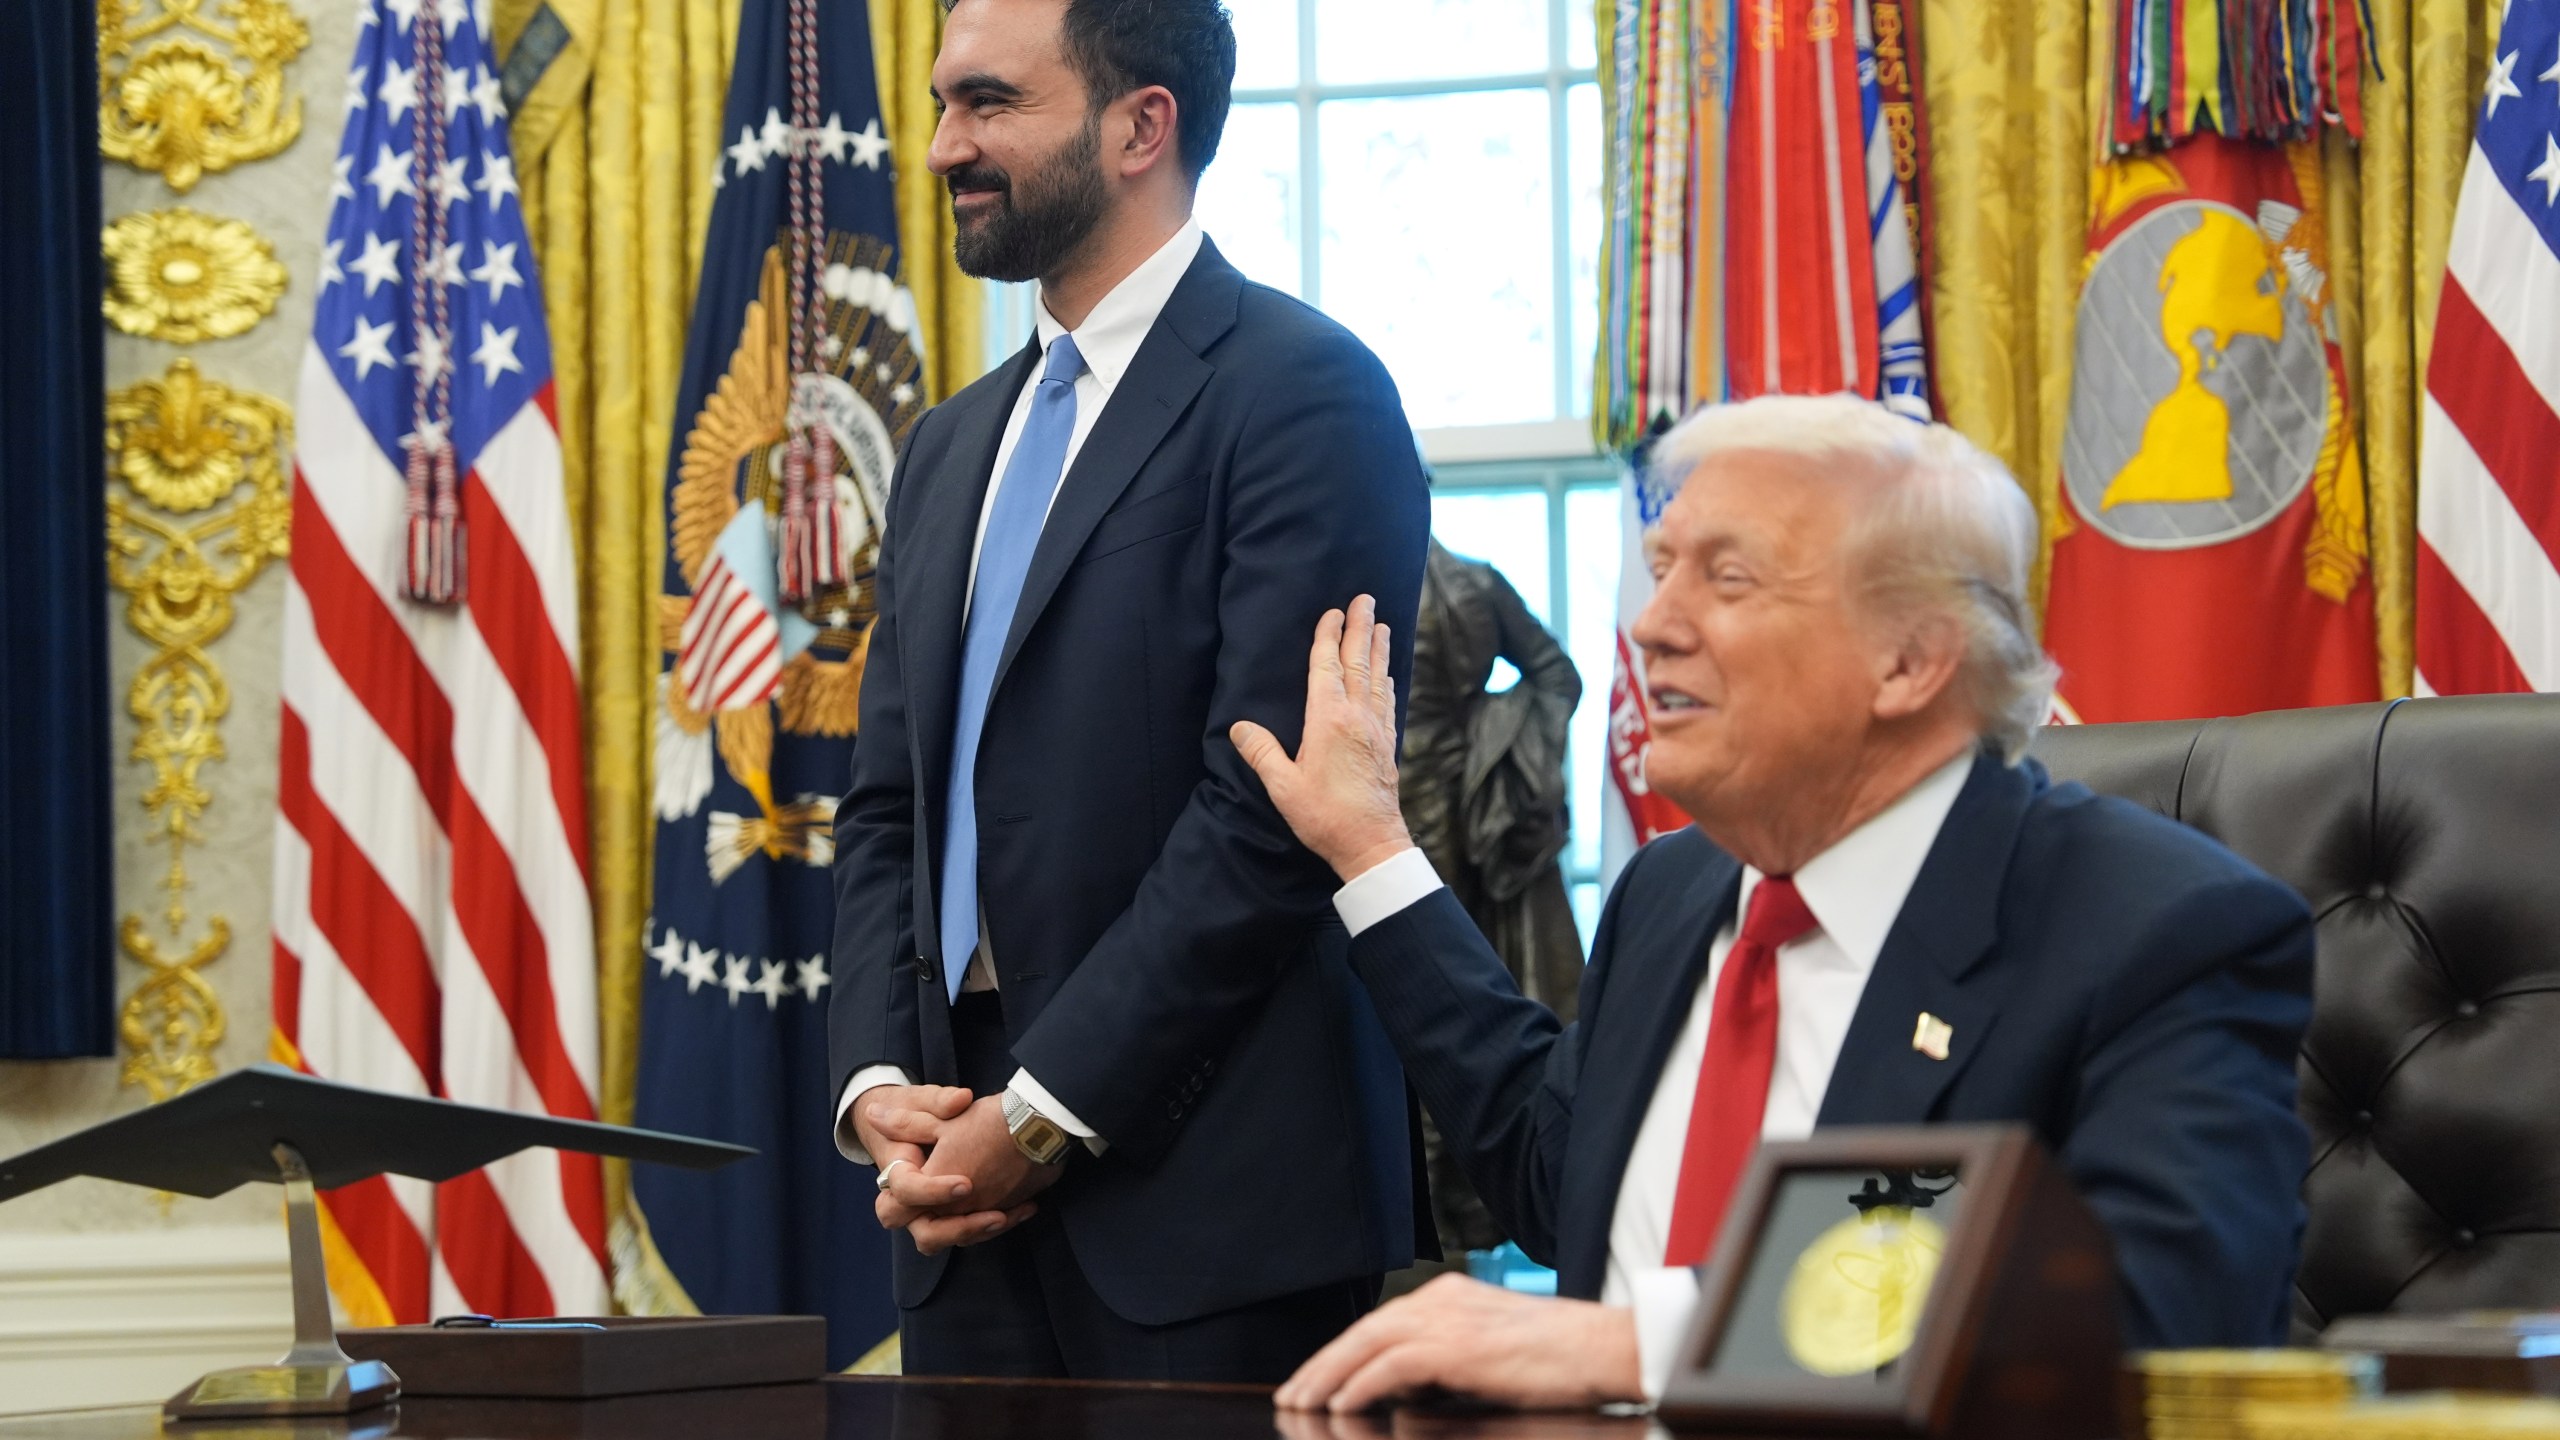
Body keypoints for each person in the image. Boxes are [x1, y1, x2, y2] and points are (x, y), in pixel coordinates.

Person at [1231, 394, 2314, 1412]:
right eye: (1660, 571)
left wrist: (1644, 1345)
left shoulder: (2158, 931)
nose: (1651, 625)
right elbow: (1557, 1174)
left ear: (1909, 659)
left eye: (1728, 578)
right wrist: (1370, 847)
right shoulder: (1672, 889)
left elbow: (2157, 1317)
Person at [823, 0, 1432, 1382]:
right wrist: (877, 1093)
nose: (941, 148)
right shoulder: (945, 448)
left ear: (1140, 124)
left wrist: (1040, 1118)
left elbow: (1267, 816)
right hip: (951, 1206)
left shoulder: (1304, 395)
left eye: (988, 105)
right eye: (939, 106)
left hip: (1209, 1210)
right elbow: (881, 815)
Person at [1400, 538, 1585, 1256]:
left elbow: (1553, 675)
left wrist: (1499, 750)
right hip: (1370, 805)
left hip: (1467, 820)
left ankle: (1460, 1218)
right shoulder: (1347, 574)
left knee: (1451, 1008)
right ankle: (1425, 1217)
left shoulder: (1472, 582)